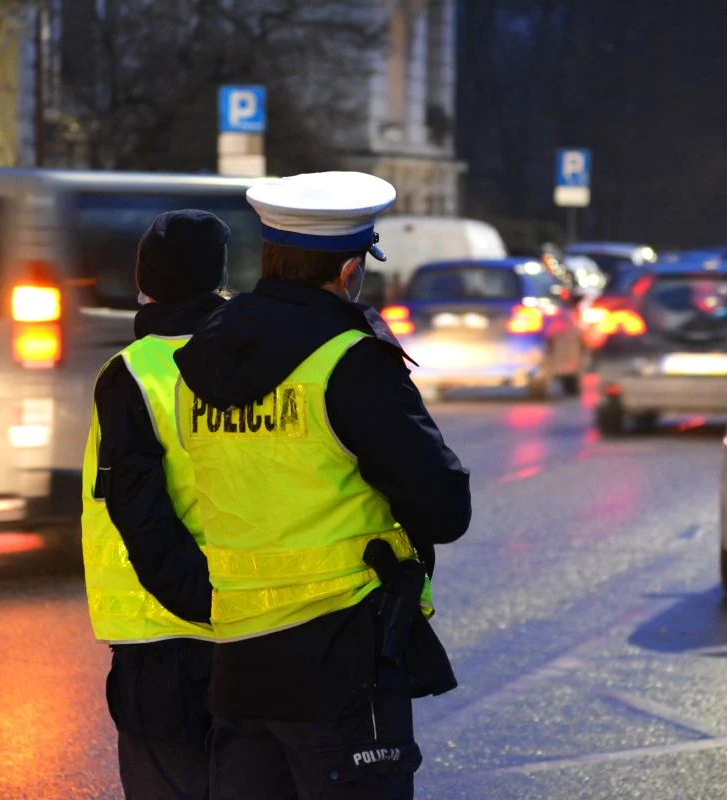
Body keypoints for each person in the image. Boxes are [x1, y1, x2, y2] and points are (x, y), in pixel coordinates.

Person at [173, 172, 471, 799]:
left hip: (236, 659)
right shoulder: (350, 362)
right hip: (340, 660)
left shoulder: (197, 363)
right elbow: (445, 507)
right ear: (346, 272)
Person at [81, 209, 233, 800]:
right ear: (217, 278)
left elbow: (139, 511)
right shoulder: (252, 357)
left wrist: (202, 604)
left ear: (145, 282)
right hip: (257, 623)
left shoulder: (132, 373)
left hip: (164, 637)